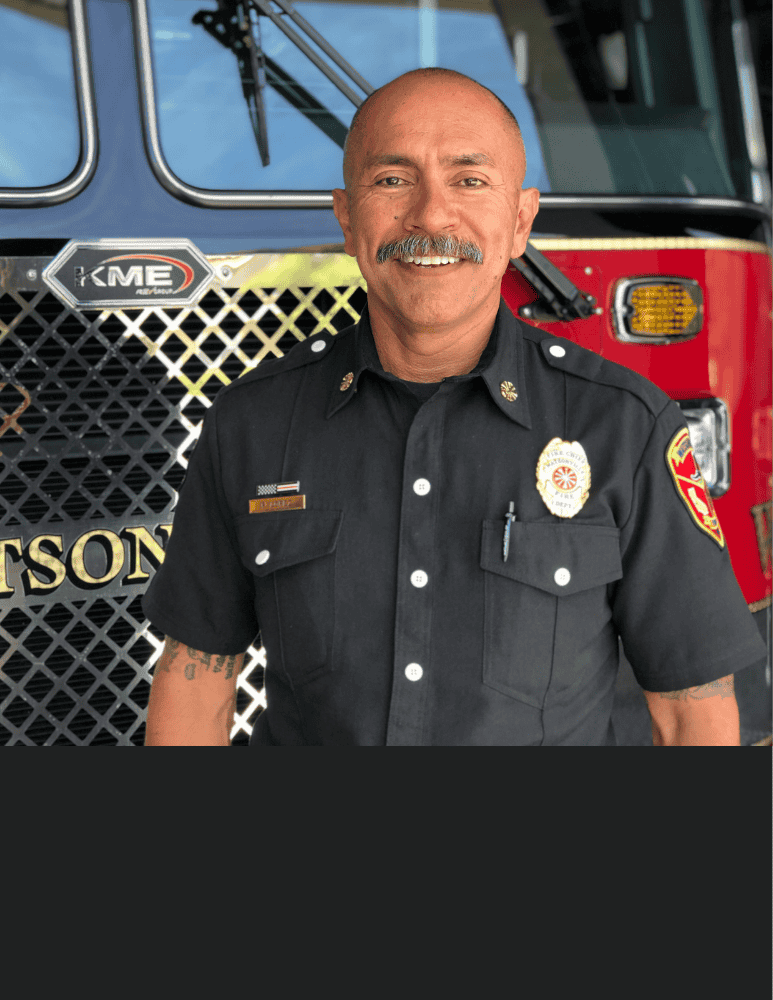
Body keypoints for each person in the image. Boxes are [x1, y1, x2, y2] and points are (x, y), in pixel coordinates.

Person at [142, 68, 766, 746]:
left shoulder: (624, 427)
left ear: (520, 218)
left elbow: (692, 711)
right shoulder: (252, 424)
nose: (431, 216)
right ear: (346, 217)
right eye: (391, 181)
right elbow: (196, 678)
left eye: (469, 181)